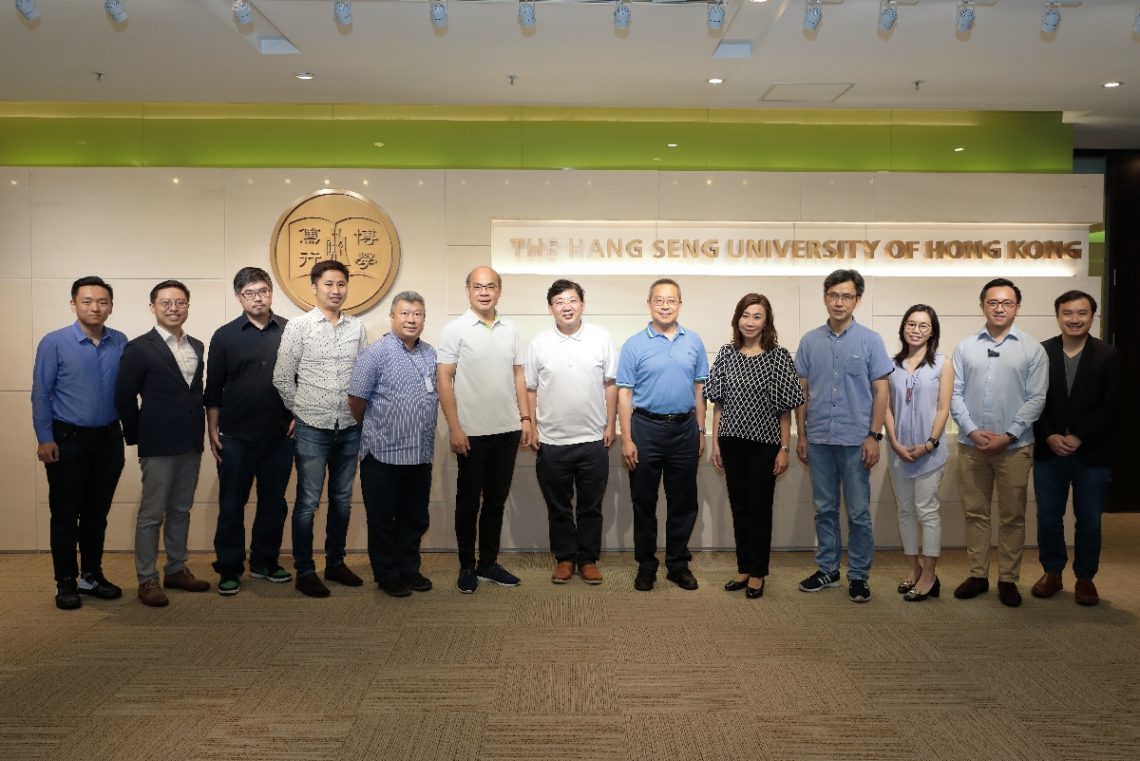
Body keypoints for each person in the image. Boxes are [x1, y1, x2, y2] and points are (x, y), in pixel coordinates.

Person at [795, 269, 892, 603]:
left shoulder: (871, 341)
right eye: (833, 295)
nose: (839, 302)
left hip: (855, 441)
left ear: (857, 300)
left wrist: (873, 436)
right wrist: (802, 435)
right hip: (819, 439)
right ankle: (828, 569)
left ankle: (859, 575)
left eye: (846, 296)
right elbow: (803, 390)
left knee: (859, 513)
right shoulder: (809, 341)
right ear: (825, 297)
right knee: (824, 509)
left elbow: (881, 390)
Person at [273, 259, 368, 598]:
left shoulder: (357, 328)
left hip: (349, 426)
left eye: (341, 284)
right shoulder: (299, 326)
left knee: (342, 500)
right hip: (312, 427)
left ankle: (336, 563)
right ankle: (305, 570)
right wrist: (301, 410)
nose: (335, 290)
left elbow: (362, 379)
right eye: (328, 284)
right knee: (308, 502)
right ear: (314, 287)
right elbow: (282, 377)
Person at [951, 277, 1047, 608]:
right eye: (993, 302)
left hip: (1015, 449)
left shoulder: (1032, 349)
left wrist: (1009, 435)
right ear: (982, 306)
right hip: (970, 445)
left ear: (1017, 307)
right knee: (975, 514)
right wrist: (973, 431)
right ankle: (978, 574)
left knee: (1012, 517)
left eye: (1007, 302)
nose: (999, 308)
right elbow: (955, 393)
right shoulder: (965, 347)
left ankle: (1008, 579)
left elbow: (1036, 398)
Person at [32, 276, 127, 610]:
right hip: (66, 440)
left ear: (111, 306)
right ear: (73, 304)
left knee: (96, 514)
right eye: (87, 301)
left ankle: (91, 575)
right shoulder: (54, 342)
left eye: (102, 301)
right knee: (64, 514)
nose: (95, 307)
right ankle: (65, 581)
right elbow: (41, 393)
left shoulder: (120, 341)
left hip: (108, 440)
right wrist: (44, 438)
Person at [437, 265, 534, 594]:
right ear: (468, 291)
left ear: (499, 291)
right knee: (468, 503)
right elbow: (444, 380)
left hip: (507, 431)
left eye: (490, 286)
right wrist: (454, 427)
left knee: (496, 502)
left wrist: (525, 419)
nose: (484, 292)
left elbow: (519, 375)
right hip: (471, 434)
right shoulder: (455, 329)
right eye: (478, 286)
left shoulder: (511, 329)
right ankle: (466, 566)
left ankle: (488, 563)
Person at [115, 279, 210, 607]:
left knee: (181, 509)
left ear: (187, 306)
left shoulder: (197, 345)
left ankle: (176, 569)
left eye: (180, 302)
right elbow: (124, 396)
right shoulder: (140, 347)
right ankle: (147, 579)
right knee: (152, 514)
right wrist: (136, 435)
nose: (173, 308)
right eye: (166, 302)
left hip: (190, 441)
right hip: (157, 442)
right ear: (153, 307)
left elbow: (193, 394)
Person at [705, 293, 804, 599]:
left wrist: (784, 448)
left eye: (757, 316)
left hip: (765, 444)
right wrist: (717, 443)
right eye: (745, 315)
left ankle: (759, 572)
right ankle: (744, 567)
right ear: (738, 319)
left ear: (766, 322)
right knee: (739, 508)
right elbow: (717, 404)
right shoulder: (726, 353)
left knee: (760, 509)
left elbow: (785, 409)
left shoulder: (778, 357)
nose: (750, 322)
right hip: (732, 442)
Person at [206, 267, 295, 596]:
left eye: (263, 291)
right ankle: (229, 568)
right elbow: (213, 387)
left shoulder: (290, 331)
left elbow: (304, 378)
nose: (257, 298)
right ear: (239, 297)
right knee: (231, 505)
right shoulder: (225, 336)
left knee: (274, 504)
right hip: (236, 435)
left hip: (279, 436)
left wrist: (298, 413)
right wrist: (212, 428)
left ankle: (265, 562)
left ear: (272, 293)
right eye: (249, 293)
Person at [617, 278, 708, 592]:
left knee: (683, 500)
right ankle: (646, 564)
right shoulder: (633, 344)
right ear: (649, 304)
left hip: (684, 429)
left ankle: (678, 564)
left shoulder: (693, 341)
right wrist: (626, 438)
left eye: (671, 300)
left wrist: (700, 428)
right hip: (645, 428)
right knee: (644, 499)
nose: (665, 306)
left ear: (680, 304)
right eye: (659, 300)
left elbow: (700, 389)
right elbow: (624, 394)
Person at [1031, 290, 1120, 606]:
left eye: (1081, 313)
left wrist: (1079, 436)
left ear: (1091, 316)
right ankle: (1052, 572)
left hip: (1091, 454)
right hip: (1049, 451)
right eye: (1067, 313)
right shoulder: (1042, 353)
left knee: (1090, 518)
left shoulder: (1107, 355)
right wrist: (1050, 435)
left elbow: (1112, 406)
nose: (1074, 319)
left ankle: (1085, 578)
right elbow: (1033, 402)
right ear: (1058, 316)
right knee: (1049, 517)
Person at [525, 279, 617, 585]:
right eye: (559, 301)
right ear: (550, 308)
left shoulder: (601, 337)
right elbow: (531, 389)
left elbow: (610, 384)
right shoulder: (539, 343)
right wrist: (533, 426)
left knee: (591, 506)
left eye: (572, 300)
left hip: (593, 440)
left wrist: (611, 424)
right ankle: (565, 558)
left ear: (582, 304)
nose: (567, 306)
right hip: (551, 442)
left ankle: (587, 559)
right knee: (559, 508)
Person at [347, 291, 438, 598]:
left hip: (419, 454)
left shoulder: (430, 354)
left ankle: (409, 570)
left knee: (415, 518)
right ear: (393, 317)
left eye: (417, 314)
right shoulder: (376, 353)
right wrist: (377, 427)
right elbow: (356, 401)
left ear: (424, 319)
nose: (411, 319)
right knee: (384, 520)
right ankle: (387, 575)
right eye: (405, 314)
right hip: (382, 454)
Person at [883, 305, 953, 602]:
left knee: (928, 511)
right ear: (903, 328)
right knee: (905, 511)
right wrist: (896, 442)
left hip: (929, 451)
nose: (916, 330)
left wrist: (929, 444)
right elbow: (885, 407)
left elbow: (943, 407)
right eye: (911, 324)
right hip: (899, 450)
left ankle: (929, 574)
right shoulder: (890, 364)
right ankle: (912, 569)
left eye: (923, 326)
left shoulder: (942, 364)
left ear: (932, 331)